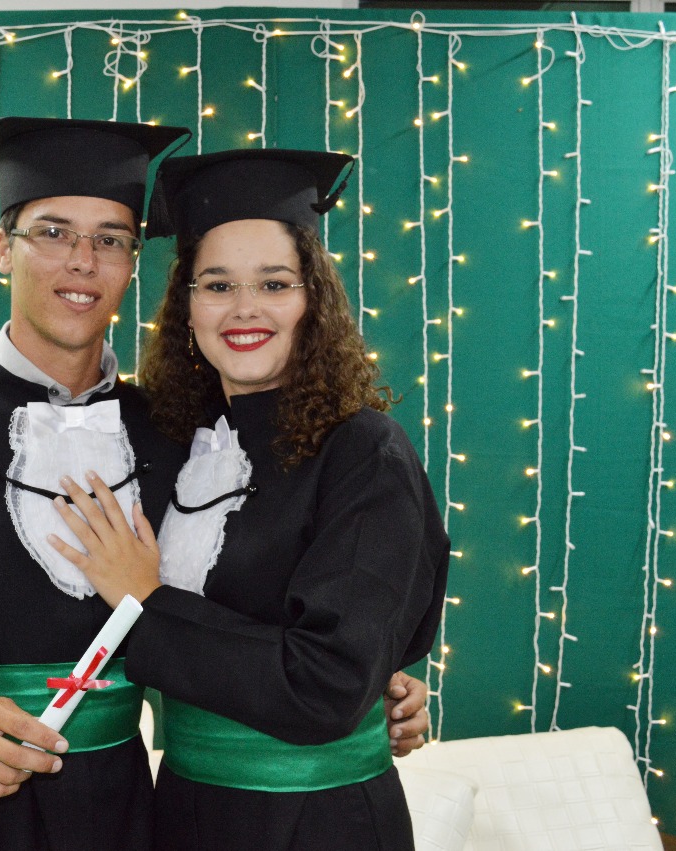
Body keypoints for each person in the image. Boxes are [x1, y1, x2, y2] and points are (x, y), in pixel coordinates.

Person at [0, 117, 431, 850]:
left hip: (131, 811)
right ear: (2, 247)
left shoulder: (178, 435)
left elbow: (251, 584)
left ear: (133, 266)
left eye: (111, 240)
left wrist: (370, 681)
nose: (82, 262)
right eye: (52, 233)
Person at [45, 148, 450, 850]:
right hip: (185, 809)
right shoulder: (179, 446)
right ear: (187, 306)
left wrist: (147, 601)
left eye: (274, 283)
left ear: (313, 299)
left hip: (319, 823)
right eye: (217, 284)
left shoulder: (364, 451)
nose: (244, 309)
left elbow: (325, 684)